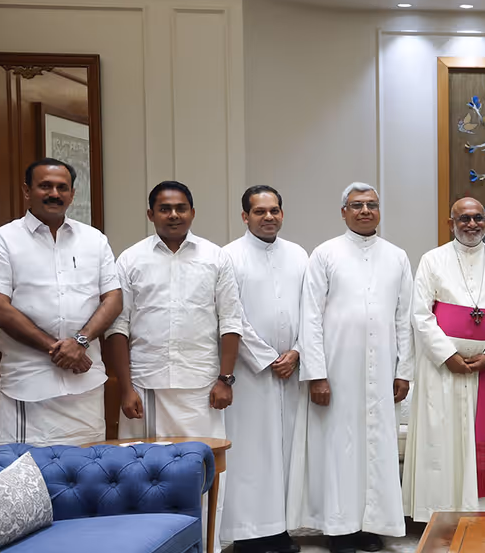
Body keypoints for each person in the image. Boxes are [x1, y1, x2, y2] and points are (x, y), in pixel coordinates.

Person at [291, 183, 413, 553]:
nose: (365, 211)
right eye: (356, 205)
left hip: (382, 376)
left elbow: (404, 318)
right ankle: (339, 528)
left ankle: (371, 525)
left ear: (379, 211)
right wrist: (316, 374)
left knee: (377, 448)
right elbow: (309, 317)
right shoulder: (325, 254)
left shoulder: (397, 256)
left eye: (372, 205)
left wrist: (403, 369)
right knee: (339, 448)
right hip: (337, 371)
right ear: (343, 211)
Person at [0, 158, 122, 446]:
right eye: (45, 186)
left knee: (86, 474)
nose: (54, 193)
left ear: (72, 194)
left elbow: (113, 299)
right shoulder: (1, 240)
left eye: (62, 187)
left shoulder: (94, 240)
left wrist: (79, 342)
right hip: (28, 385)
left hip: (84, 387)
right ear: (27, 191)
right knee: (23, 476)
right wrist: (56, 349)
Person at [402, 197, 485, 522]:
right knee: (442, 437)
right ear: (450, 223)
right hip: (442, 370)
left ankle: (483, 509)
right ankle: (440, 511)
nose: (471, 224)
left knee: (483, 438)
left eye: (478, 218)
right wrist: (448, 355)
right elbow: (420, 314)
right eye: (463, 218)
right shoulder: (432, 260)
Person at [105, 180, 245, 440]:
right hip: (145, 386)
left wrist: (225, 380)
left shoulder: (215, 258)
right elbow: (118, 327)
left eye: (181, 208)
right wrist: (125, 389)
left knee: (203, 467)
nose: (173, 215)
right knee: (144, 469)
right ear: (151, 214)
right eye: (164, 209)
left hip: (201, 387)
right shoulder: (130, 259)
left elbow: (230, 322)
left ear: (192, 212)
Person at [221, 185, 309, 553]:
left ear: (282, 214)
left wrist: (299, 351)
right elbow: (230, 314)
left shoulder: (300, 255)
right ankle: (248, 534)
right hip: (251, 373)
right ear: (245, 216)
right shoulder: (228, 256)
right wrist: (268, 358)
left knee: (287, 453)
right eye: (259, 211)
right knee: (252, 454)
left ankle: (281, 530)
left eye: (274, 210)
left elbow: (313, 309)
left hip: (292, 371)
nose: (268, 217)